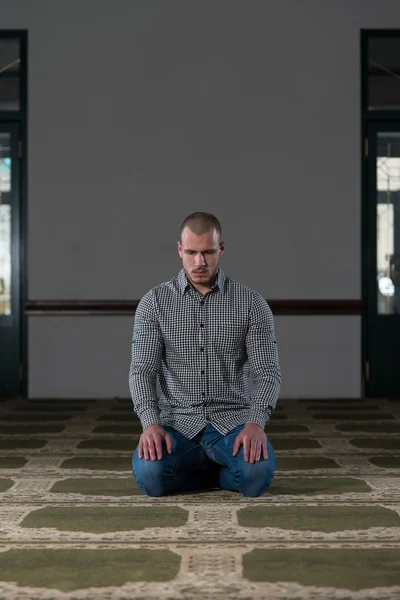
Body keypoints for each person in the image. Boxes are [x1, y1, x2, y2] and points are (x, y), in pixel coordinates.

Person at [129, 212, 281, 497]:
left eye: (208, 252)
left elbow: (267, 372)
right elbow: (142, 371)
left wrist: (255, 424)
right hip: (177, 424)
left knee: (255, 477)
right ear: (179, 250)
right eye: (191, 253)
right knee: (152, 477)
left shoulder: (251, 303)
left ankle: (211, 472)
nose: (199, 262)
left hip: (232, 423)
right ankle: (216, 474)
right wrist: (150, 424)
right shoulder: (154, 303)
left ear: (221, 249)